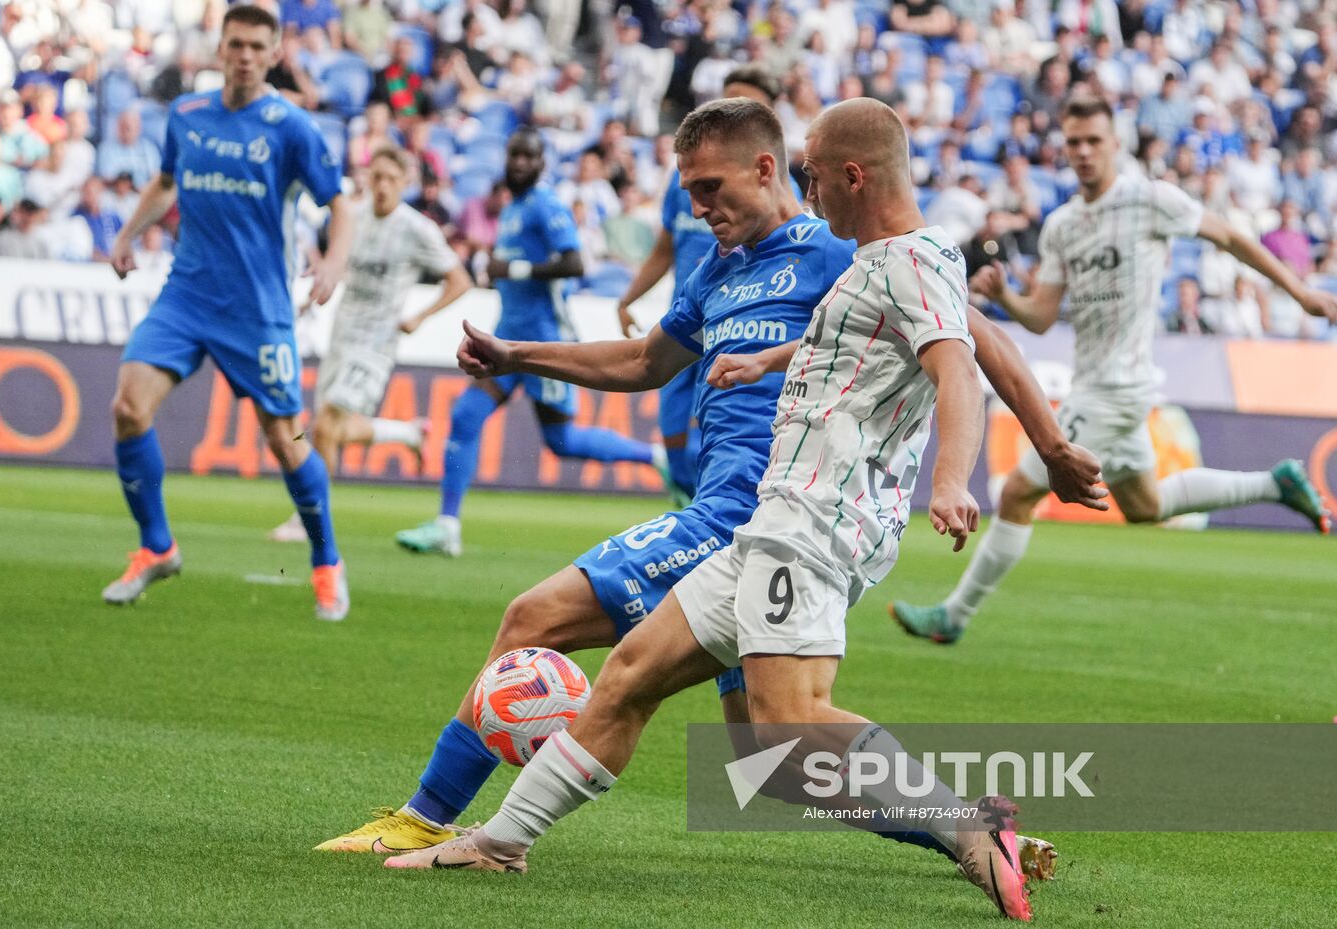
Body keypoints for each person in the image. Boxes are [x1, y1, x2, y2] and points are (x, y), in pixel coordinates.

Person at [319, 99, 1100, 891]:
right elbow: (644, 361)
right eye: (687, 189)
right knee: (770, 760)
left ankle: (424, 814)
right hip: (761, 520)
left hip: (760, 514)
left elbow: (970, 347)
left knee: (538, 619)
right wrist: (519, 354)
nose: (698, 207)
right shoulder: (724, 269)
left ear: (773, 171)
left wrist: (1037, 450)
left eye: (710, 186)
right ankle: (973, 831)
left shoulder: (849, 249)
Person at [890, 97, 1337, 644]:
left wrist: (1301, 291)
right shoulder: (1062, 226)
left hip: (1114, 391)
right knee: (1146, 506)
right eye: (1073, 142)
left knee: (1015, 496)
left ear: (1115, 144)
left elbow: (1231, 237)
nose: (1082, 152)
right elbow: (1041, 316)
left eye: (1093, 141)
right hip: (1100, 386)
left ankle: (953, 617)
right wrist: (1008, 293)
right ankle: (1276, 480)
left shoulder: (1150, 201)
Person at [101, 5, 356, 621]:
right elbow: (166, 181)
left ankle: (326, 561)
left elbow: (340, 206)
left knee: (288, 440)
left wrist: (332, 265)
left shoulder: (292, 127)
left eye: (256, 47)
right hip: (185, 297)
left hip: (259, 312)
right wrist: (128, 234)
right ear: (219, 48)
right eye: (235, 44)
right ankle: (156, 547)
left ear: (273, 55)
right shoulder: (187, 114)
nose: (243, 55)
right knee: (128, 408)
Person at [392, 127, 662, 558]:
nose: (519, 163)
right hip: (508, 341)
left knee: (562, 442)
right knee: (465, 415)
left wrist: (512, 268)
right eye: (514, 154)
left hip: (546, 343)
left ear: (541, 164)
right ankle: (447, 525)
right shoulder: (513, 207)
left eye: (529, 156)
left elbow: (574, 262)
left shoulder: (546, 205)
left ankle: (655, 458)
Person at [270, 147, 471, 542]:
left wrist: (419, 316)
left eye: (391, 179)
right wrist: (311, 298)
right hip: (342, 335)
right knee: (328, 430)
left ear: (405, 183)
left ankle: (310, 522)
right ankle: (407, 434)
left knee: (326, 425)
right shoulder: (353, 217)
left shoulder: (417, 229)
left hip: (377, 343)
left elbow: (460, 281)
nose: (381, 186)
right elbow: (338, 264)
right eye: (376, 177)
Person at [613, 65, 783, 503]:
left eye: (744, 103)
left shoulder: (778, 192)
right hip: (686, 321)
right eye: (726, 101)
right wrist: (630, 297)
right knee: (673, 437)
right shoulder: (683, 183)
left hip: (743, 327)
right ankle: (695, 508)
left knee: (720, 438)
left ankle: (714, 515)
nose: (700, 207)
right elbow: (663, 249)